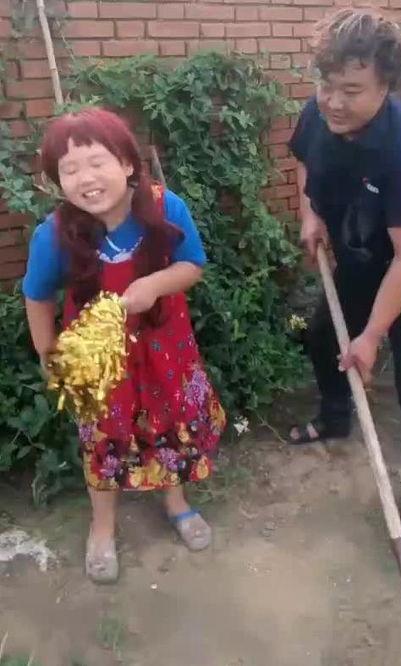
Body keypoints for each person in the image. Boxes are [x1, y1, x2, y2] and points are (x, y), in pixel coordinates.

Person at [288, 10, 401, 560]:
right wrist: (310, 214)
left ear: (386, 85)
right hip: (364, 257)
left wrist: (371, 336)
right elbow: (304, 160)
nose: (333, 101)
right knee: (324, 337)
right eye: (326, 84)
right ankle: (335, 416)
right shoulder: (319, 113)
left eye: (351, 90)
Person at [23, 107, 226, 583]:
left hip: (165, 348)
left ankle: (176, 502)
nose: (85, 179)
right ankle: (102, 526)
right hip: (101, 363)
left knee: (172, 423)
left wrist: (154, 284)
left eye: (97, 162)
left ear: (127, 163)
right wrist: (50, 356)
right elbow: (37, 296)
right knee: (103, 436)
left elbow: (192, 265)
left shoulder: (165, 207)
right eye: (69, 170)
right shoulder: (54, 235)